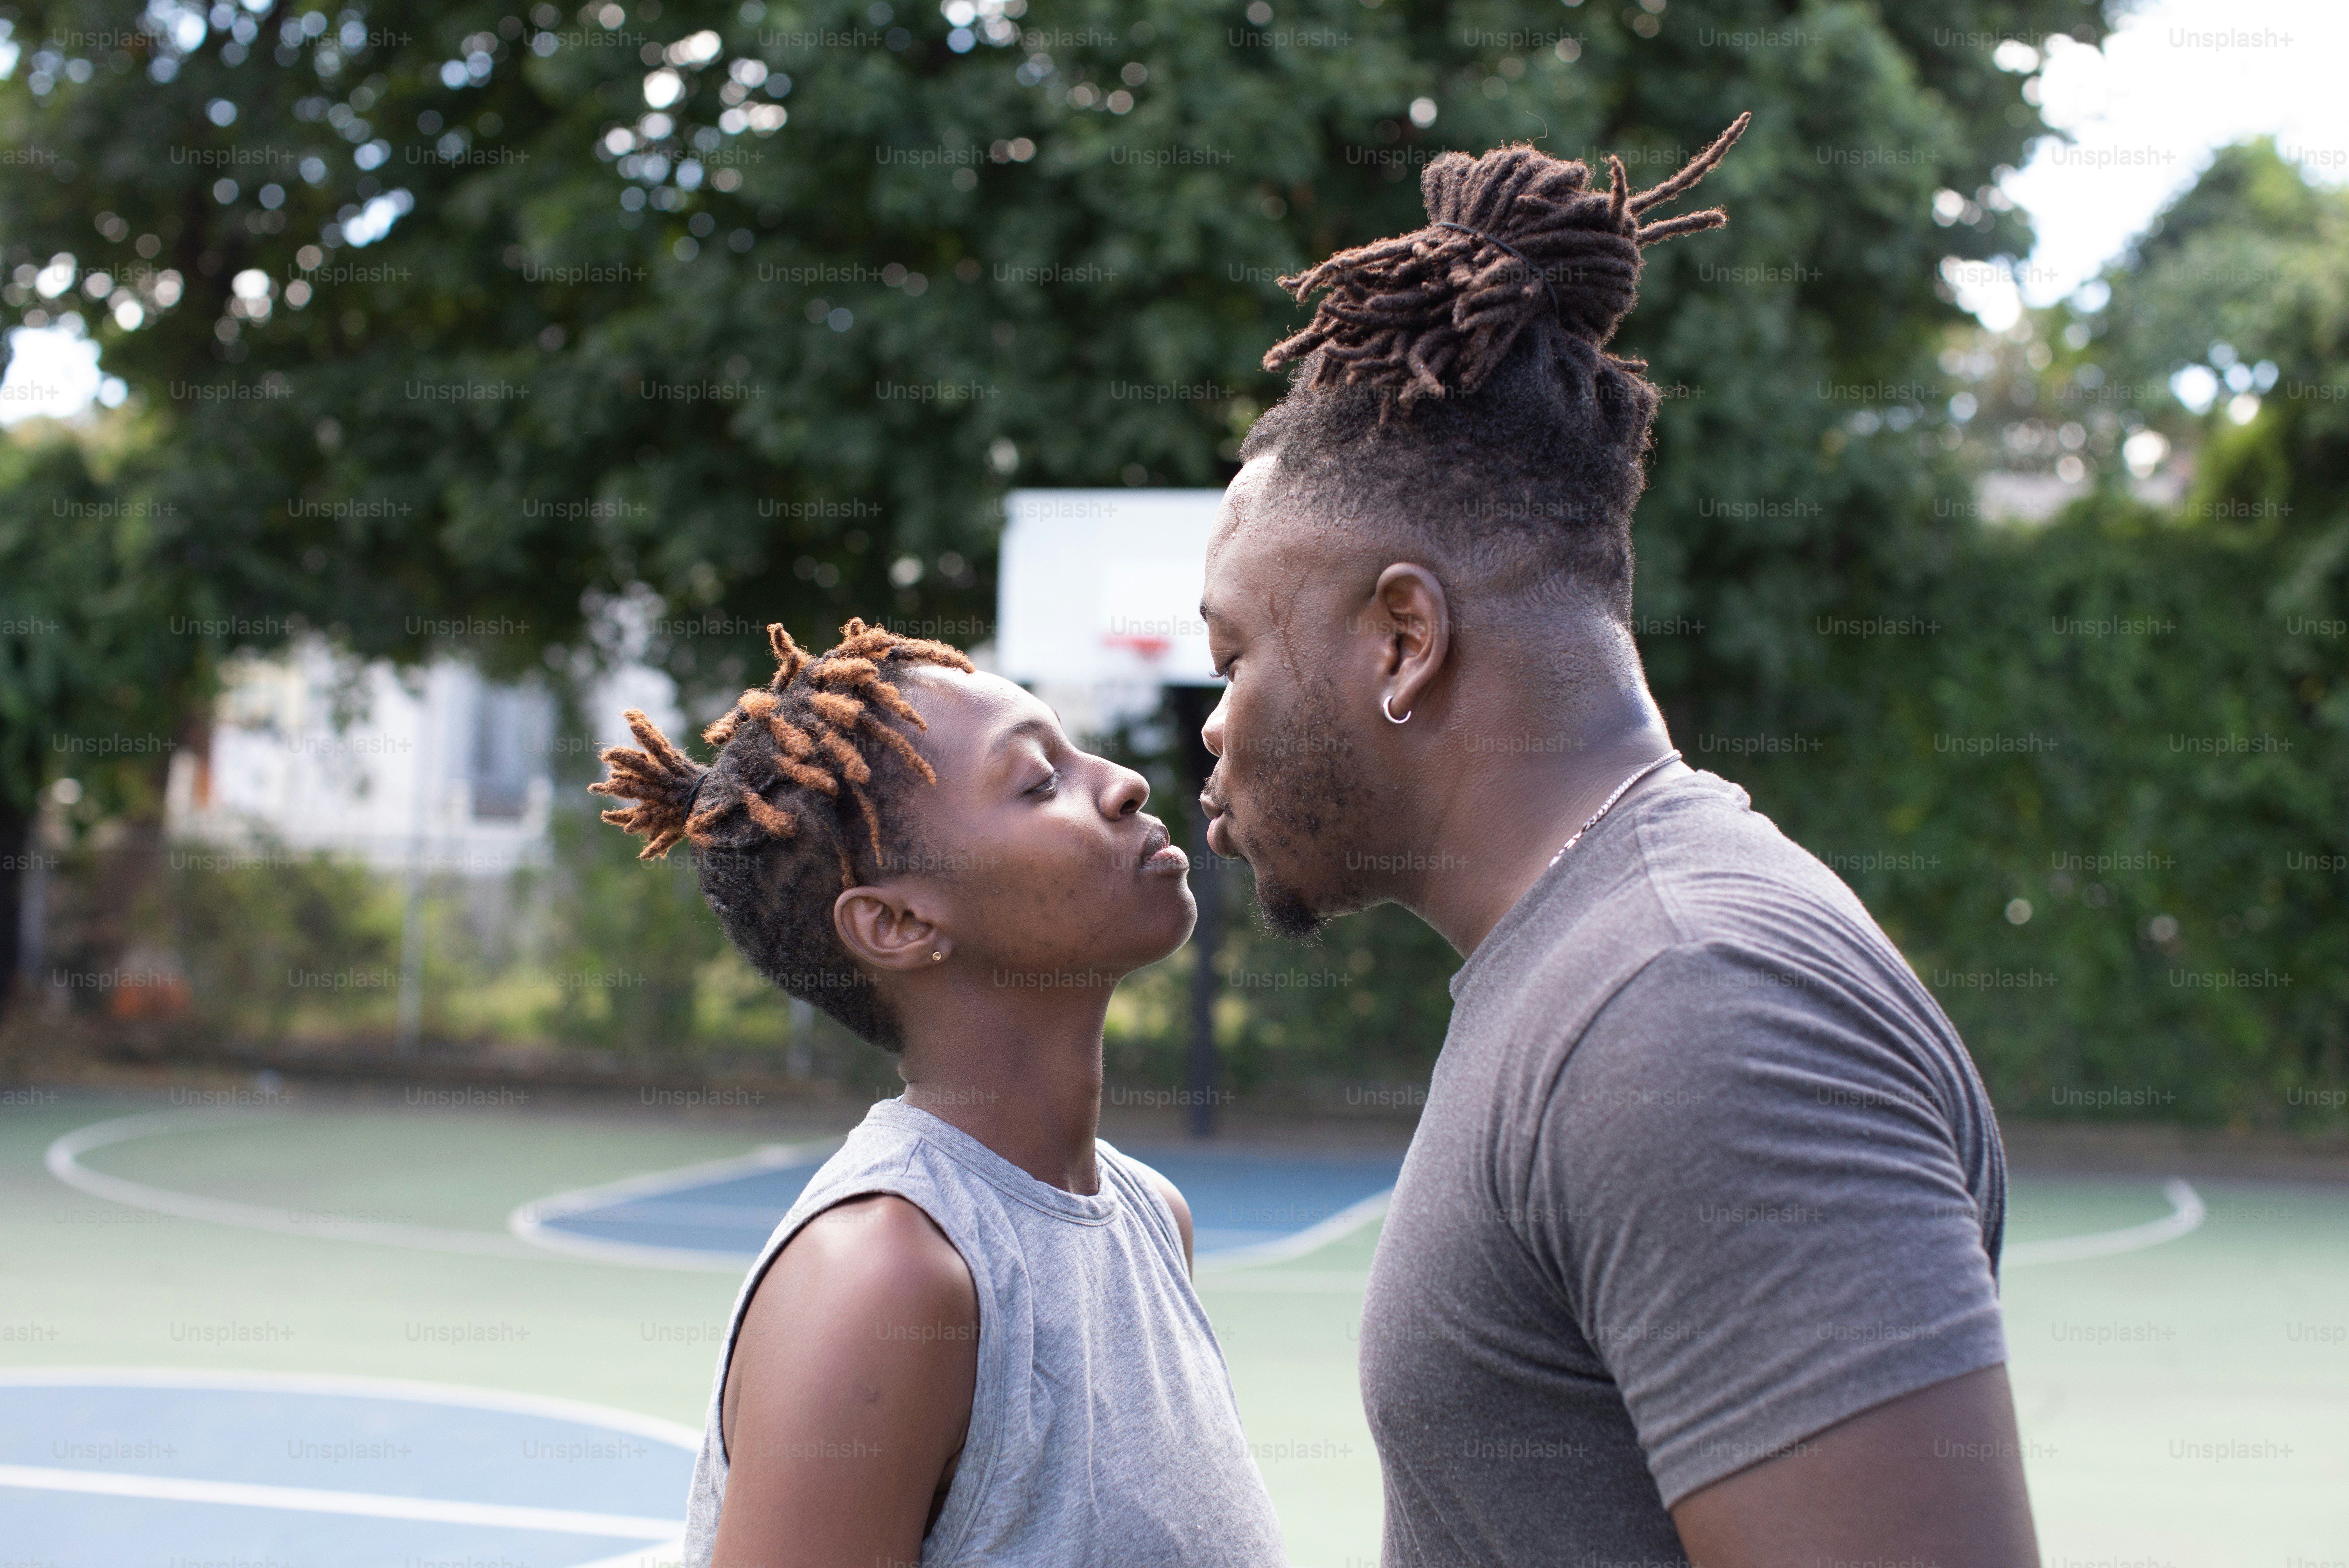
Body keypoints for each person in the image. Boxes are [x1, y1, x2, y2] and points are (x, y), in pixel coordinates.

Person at [1195, 120, 2041, 1567]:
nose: (1212, 727)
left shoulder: (1691, 1001)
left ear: (1406, 638)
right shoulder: (1595, 962)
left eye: (1232, 659)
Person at [591, 619, 1287, 1568]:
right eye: (1039, 783)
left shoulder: (1153, 1218)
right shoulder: (882, 1279)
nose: (1123, 783)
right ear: (898, 923)